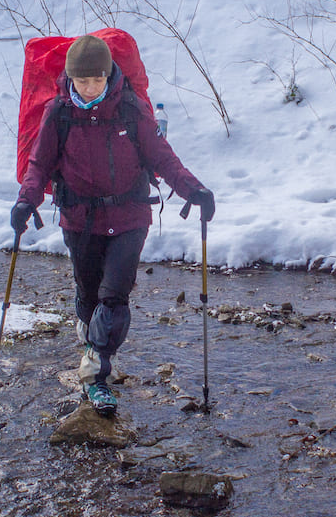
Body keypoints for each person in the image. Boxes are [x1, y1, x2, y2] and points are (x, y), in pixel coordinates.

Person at [12, 35, 214, 417]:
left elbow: (163, 158)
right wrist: (26, 200)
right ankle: (94, 339)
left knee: (114, 298)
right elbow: (39, 165)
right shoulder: (59, 113)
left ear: (109, 75)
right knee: (89, 296)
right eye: (82, 81)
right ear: (71, 78)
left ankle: (96, 377)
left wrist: (194, 189)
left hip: (129, 218)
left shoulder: (131, 109)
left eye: (97, 80)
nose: (90, 88)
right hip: (80, 220)